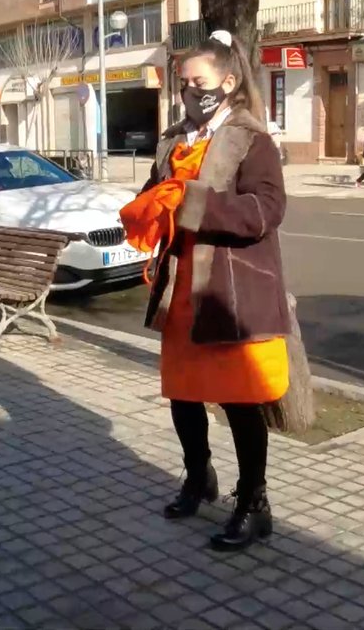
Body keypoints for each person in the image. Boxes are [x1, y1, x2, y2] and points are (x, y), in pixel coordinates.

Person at [120, 30, 290, 552]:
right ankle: (200, 477)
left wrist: (193, 204)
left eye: (200, 82)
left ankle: (254, 502)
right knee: (183, 392)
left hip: (231, 290)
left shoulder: (251, 138)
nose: (190, 92)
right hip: (182, 287)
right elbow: (159, 192)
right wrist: (148, 204)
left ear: (229, 82)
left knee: (241, 401)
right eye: (184, 84)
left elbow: (266, 209)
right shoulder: (175, 138)